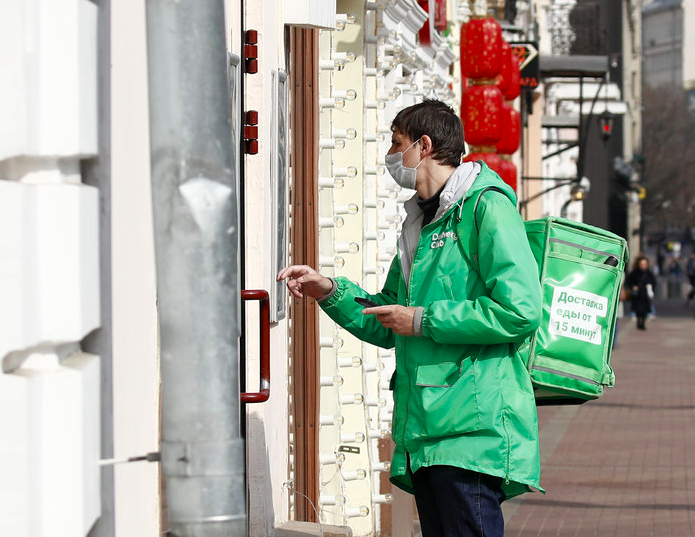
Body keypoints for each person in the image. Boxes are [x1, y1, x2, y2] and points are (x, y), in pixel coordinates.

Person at [278, 99, 542, 536]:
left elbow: (520, 311)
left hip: (471, 433)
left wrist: (421, 320)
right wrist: (329, 290)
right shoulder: (419, 222)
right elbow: (388, 317)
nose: (389, 154)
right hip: (425, 433)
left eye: (395, 143)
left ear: (424, 146)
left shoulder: (485, 208)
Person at [625, 255, 657, 330]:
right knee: (638, 310)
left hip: (645, 295)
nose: (643, 266)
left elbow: (654, 282)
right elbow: (629, 282)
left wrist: (650, 286)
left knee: (645, 310)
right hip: (637, 295)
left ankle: (642, 323)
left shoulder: (649, 273)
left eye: (645, 264)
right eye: (642, 264)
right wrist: (633, 286)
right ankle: (639, 322)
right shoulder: (634, 272)